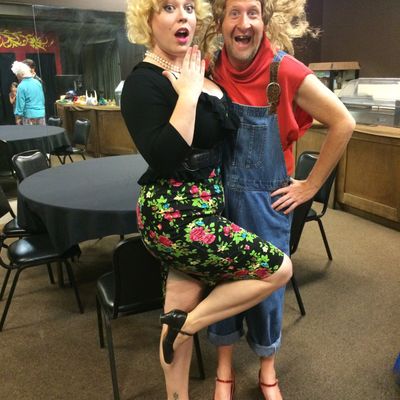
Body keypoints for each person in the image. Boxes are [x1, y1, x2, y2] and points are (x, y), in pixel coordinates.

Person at [120, 0, 293, 399]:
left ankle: (178, 364)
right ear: (148, 20)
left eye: (188, 6)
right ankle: (188, 327)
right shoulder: (143, 83)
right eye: (168, 7)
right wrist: (187, 96)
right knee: (279, 269)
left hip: (206, 209)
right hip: (174, 215)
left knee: (177, 306)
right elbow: (163, 156)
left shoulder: (199, 69)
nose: (183, 15)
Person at [205, 1, 355, 399]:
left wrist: (310, 186)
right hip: (219, 199)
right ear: (220, 21)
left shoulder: (283, 70)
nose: (244, 22)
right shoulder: (210, 67)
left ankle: (267, 371)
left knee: (267, 292)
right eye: (234, 13)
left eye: (253, 13)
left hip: (265, 203)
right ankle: (224, 370)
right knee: (221, 281)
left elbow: (343, 122)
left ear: (265, 20)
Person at [11, 61, 45, 126]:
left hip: (29, 116)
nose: (17, 76)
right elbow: (42, 99)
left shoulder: (21, 86)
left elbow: (20, 104)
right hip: (41, 114)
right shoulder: (38, 82)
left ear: (20, 74)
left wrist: (18, 118)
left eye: (16, 74)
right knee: (41, 132)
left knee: (30, 132)